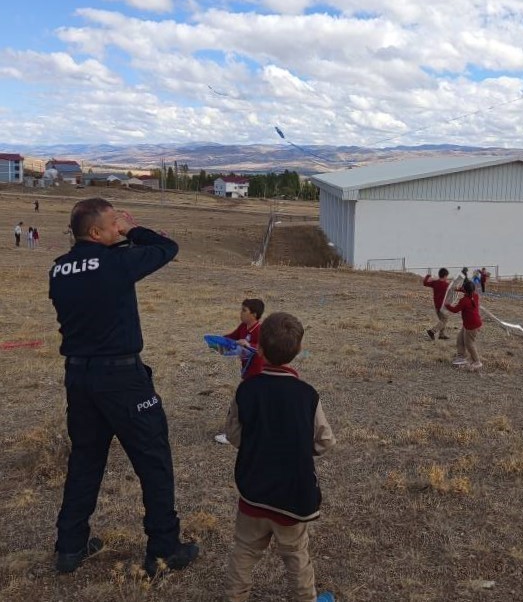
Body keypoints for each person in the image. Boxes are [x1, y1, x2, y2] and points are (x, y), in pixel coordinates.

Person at [48, 198, 198, 577]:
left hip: (79, 378)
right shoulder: (115, 263)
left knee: (85, 459)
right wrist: (133, 232)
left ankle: (70, 546)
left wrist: (119, 238)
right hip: (121, 378)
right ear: (96, 232)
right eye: (114, 223)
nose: (120, 227)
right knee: (154, 460)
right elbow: (167, 247)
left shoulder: (59, 270)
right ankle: (164, 547)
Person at [224, 312, 336, 602]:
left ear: (258, 349)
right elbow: (324, 442)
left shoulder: (246, 390)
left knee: (244, 551)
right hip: (293, 495)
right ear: (298, 350)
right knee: (297, 555)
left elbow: (235, 436)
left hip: (253, 491)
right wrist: (298, 447)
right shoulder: (307, 395)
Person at [214, 298, 265, 445]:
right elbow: (232, 337)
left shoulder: (259, 330)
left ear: (254, 314)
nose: (240, 313)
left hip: (257, 373)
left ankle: (232, 434)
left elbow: (262, 346)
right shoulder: (243, 327)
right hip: (246, 372)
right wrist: (219, 341)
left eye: (244, 310)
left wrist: (249, 344)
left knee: (239, 402)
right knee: (248, 402)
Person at [445, 279, 483, 371]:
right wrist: (457, 289)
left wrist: (446, 305)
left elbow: (455, 310)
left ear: (465, 290)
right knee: (460, 339)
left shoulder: (464, 300)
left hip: (472, 326)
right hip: (469, 324)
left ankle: (477, 362)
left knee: (469, 344)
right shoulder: (475, 295)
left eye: (463, 288)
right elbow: (467, 290)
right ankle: (461, 357)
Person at [423, 267, 451, 340]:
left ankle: (441, 335)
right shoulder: (446, 285)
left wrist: (428, 276)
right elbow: (456, 289)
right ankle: (432, 331)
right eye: (447, 276)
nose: (447, 278)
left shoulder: (435, 282)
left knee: (442, 320)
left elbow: (425, 283)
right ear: (445, 276)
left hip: (437, 306)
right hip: (443, 307)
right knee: (444, 321)